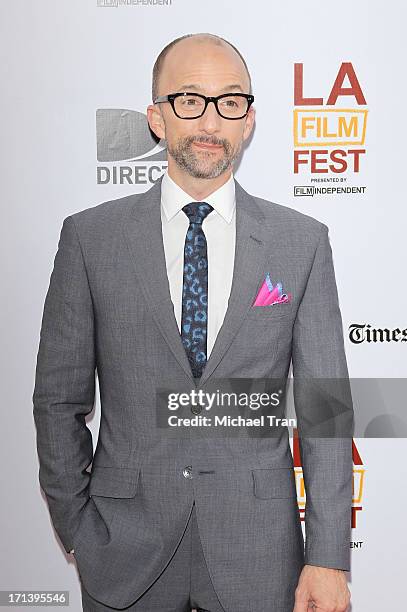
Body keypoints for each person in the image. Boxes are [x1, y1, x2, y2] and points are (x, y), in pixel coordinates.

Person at [33, 32, 353, 612]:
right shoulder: (90, 238)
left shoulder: (300, 243)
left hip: (260, 553)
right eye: (189, 100)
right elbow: (58, 400)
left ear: (249, 120)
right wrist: (77, 524)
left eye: (229, 102)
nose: (210, 120)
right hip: (122, 551)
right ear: (156, 117)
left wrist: (328, 556)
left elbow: (326, 406)